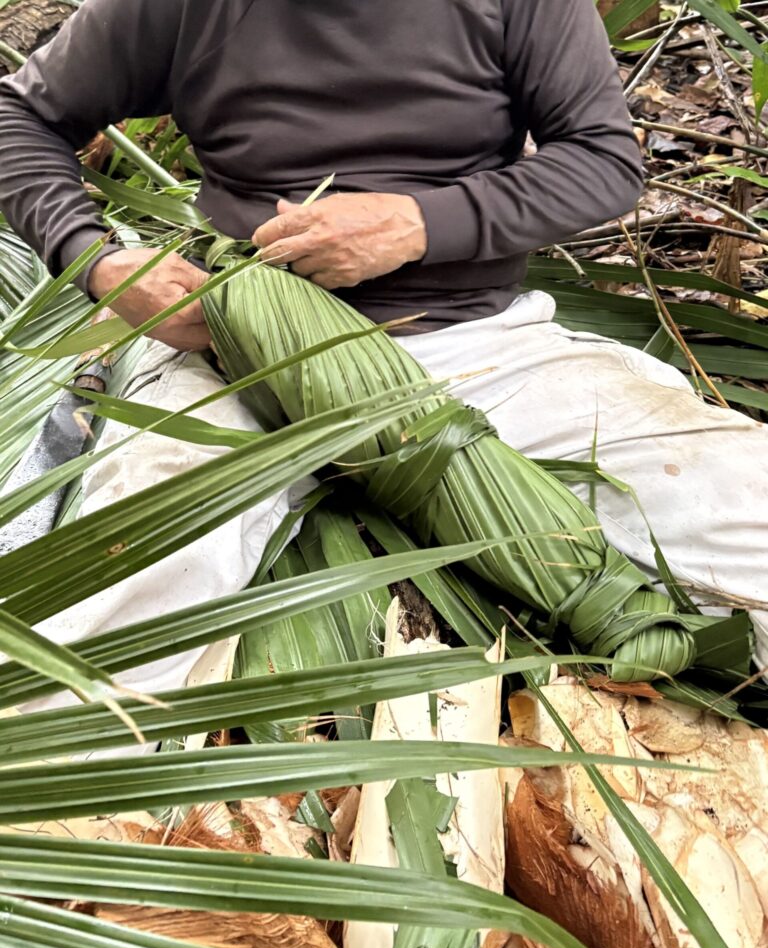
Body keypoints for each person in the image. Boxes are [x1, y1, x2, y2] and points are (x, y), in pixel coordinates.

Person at [0, 0, 765, 714]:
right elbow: (19, 113)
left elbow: (603, 163)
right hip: (235, 359)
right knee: (89, 646)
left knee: (747, 519)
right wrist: (98, 260)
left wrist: (419, 224)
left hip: (482, 344)